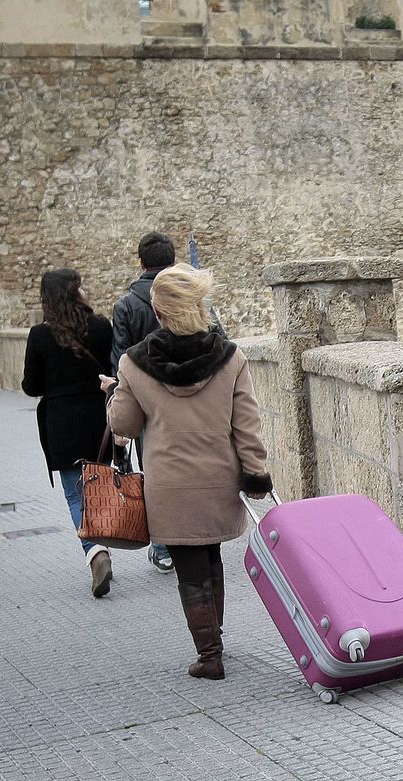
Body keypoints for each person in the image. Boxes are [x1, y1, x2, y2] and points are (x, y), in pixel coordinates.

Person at [107, 264, 270, 681]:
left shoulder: (134, 364)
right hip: (219, 478)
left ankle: (209, 654)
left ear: (158, 313)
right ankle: (215, 639)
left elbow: (123, 426)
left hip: (170, 485)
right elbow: (246, 425)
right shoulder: (230, 357)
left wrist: (114, 394)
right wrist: (256, 474)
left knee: (190, 569)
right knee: (211, 556)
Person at [111, 231, 223, 574]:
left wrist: (119, 393)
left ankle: (163, 546)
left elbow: (119, 358)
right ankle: (203, 533)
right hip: (199, 398)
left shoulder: (126, 306)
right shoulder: (192, 300)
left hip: (149, 406)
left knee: (157, 471)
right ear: (172, 260)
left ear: (141, 262)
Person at [22, 269, 116, 598]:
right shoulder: (101, 327)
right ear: (76, 292)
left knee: (75, 493)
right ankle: (102, 543)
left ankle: (95, 552)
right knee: (101, 486)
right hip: (97, 417)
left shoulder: (39, 335)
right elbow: (114, 368)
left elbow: (31, 386)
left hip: (60, 421)